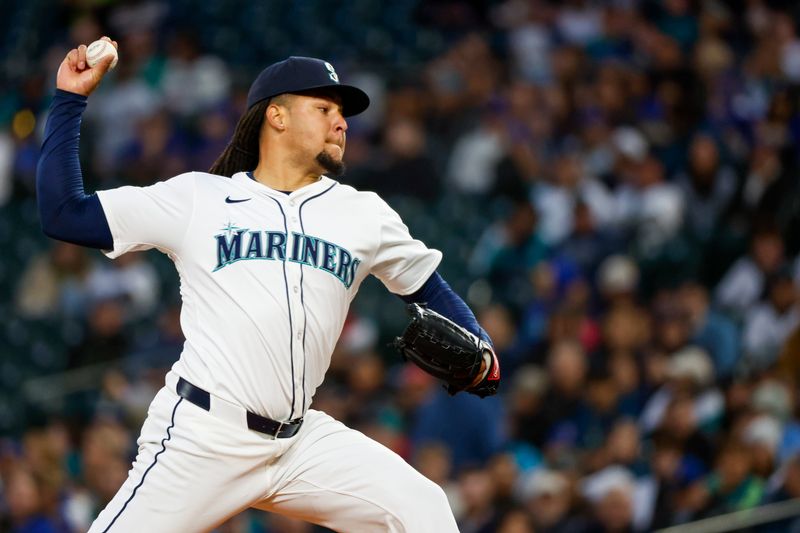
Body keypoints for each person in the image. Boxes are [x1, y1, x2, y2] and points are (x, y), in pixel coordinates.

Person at [37, 37, 500, 532]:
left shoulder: (363, 213)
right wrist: (69, 99)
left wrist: (484, 351)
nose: (340, 122)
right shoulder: (201, 198)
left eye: (341, 112)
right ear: (276, 117)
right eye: (323, 108)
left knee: (423, 509)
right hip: (205, 435)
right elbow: (65, 214)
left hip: (300, 443)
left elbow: (428, 290)